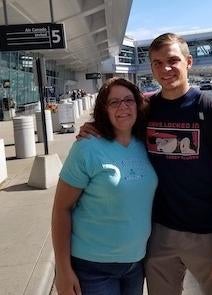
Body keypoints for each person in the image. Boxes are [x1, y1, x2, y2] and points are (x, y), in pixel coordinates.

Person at [78, 33, 212, 295]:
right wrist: (94, 127)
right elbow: (118, 122)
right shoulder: (147, 109)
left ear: (188, 62)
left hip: (209, 235)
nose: (165, 69)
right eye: (157, 63)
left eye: (172, 60)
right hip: (159, 234)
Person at [51, 77, 158, 295]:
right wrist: (62, 270)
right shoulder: (87, 149)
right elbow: (61, 210)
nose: (123, 107)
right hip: (92, 267)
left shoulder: (147, 143)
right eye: (114, 102)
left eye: (129, 100)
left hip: (135, 264)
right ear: (103, 109)